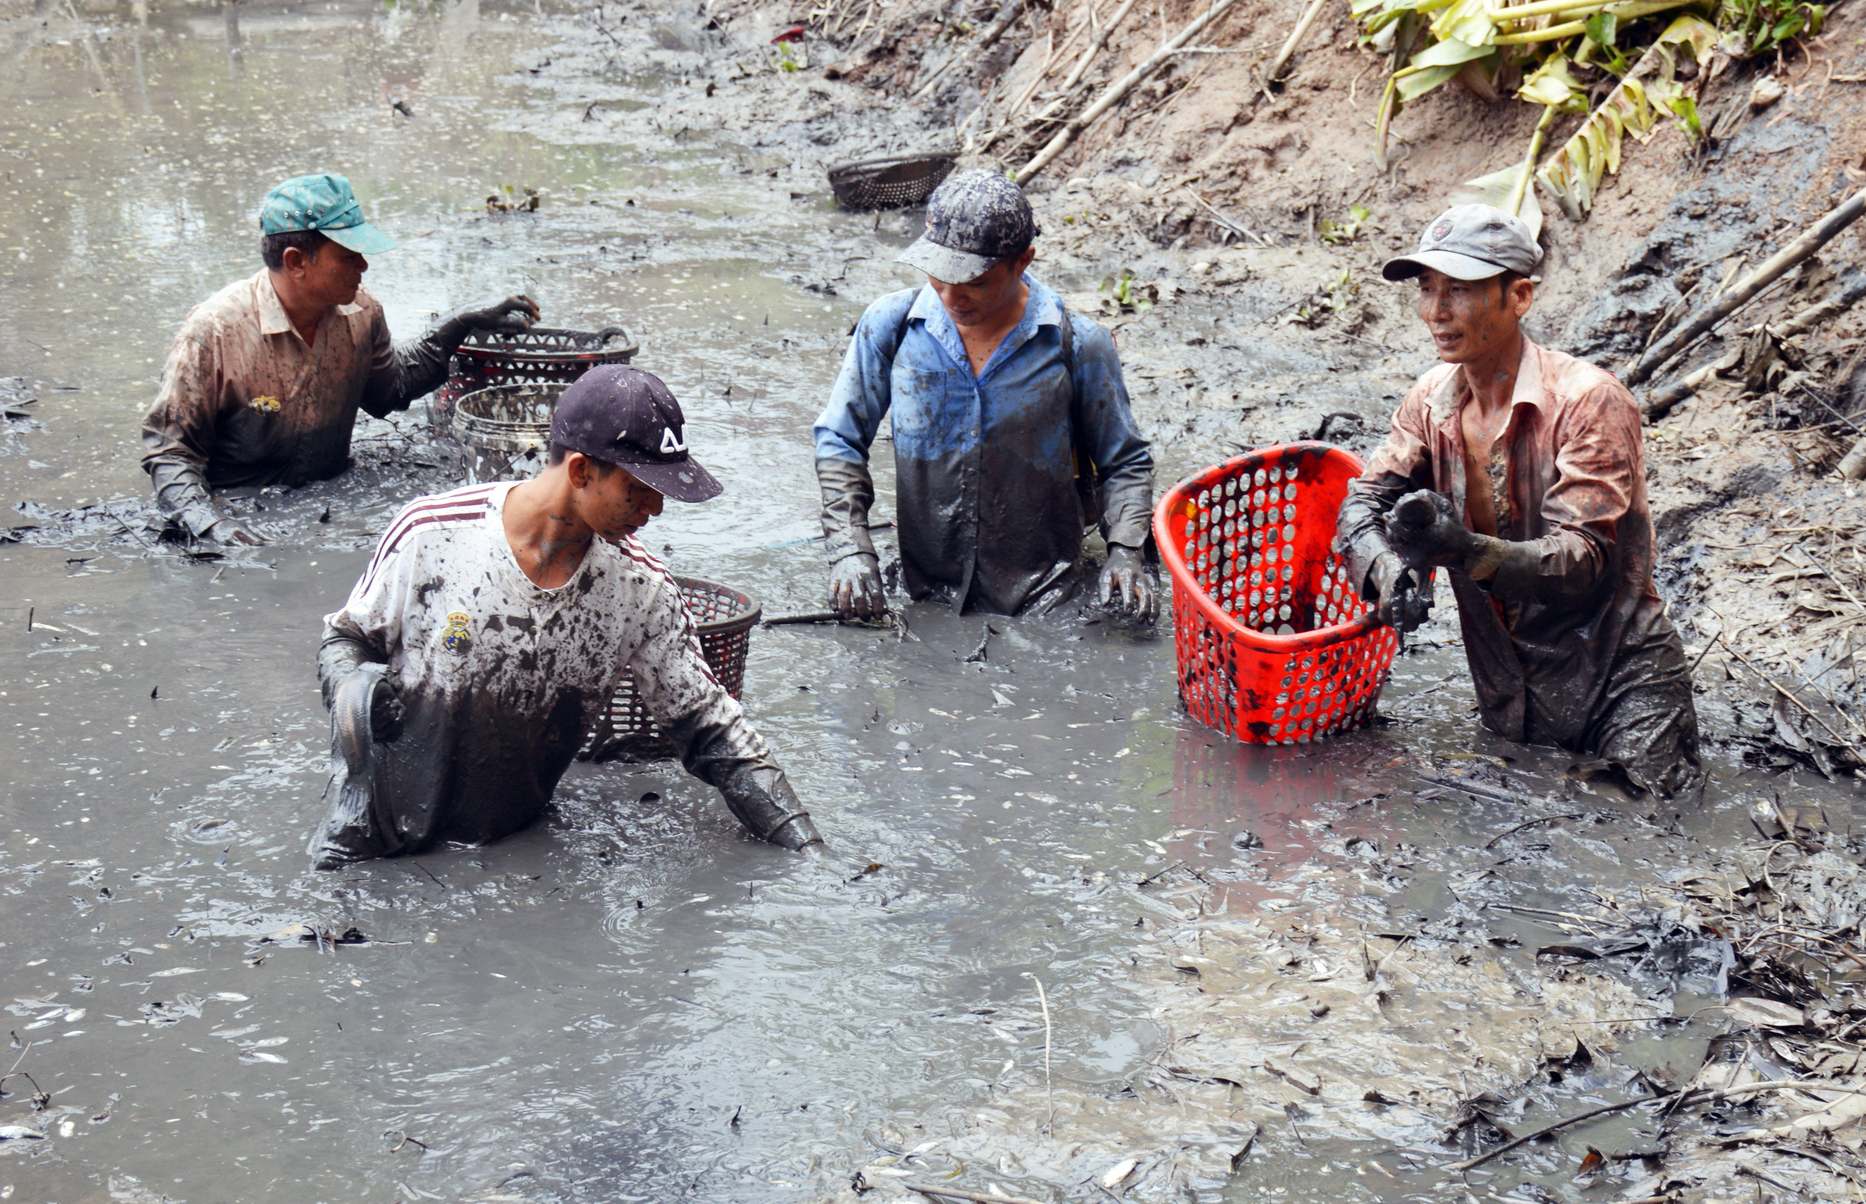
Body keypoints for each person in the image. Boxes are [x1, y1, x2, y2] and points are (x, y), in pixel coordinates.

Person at [310, 364, 823, 868]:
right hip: (377, 830)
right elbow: (344, 639)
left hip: (510, 843)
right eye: (639, 488)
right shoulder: (433, 535)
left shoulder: (639, 589)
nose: (656, 509)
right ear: (580, 471)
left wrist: (804, 843)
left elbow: (711, 728)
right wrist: (352, 688)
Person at [1338, 204, 1702, 799]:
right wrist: (1389, 570)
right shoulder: (1430, 400)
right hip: (1508, 689)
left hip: (1618, 677)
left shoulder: (1589, 401)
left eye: (1459, 290)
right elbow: (1360, 504)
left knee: (1638, 840)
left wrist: (1462, 549)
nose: (1435, 311)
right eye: (1428, 290)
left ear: (1520, 296)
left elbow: (1581, 560)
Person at [813, 169, 1156, 619]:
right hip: (923, 590)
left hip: (1047, 597)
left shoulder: (1078, 344)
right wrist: (850, 550)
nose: (952, 296)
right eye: (938, 276)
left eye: (974, 281)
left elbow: (1125, 461)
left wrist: (1125, 551)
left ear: (1023, 261)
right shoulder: (890, 326)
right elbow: (840, 438)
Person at [141, 173, 539, 545]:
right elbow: (170, 451)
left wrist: (460, 322)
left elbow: (391, 389)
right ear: (296, 262)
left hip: (329, 502)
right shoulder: (214, 333)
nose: (363, 266)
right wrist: (209, 523)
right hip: (240, 507)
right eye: (349, 255)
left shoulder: (361, 314)